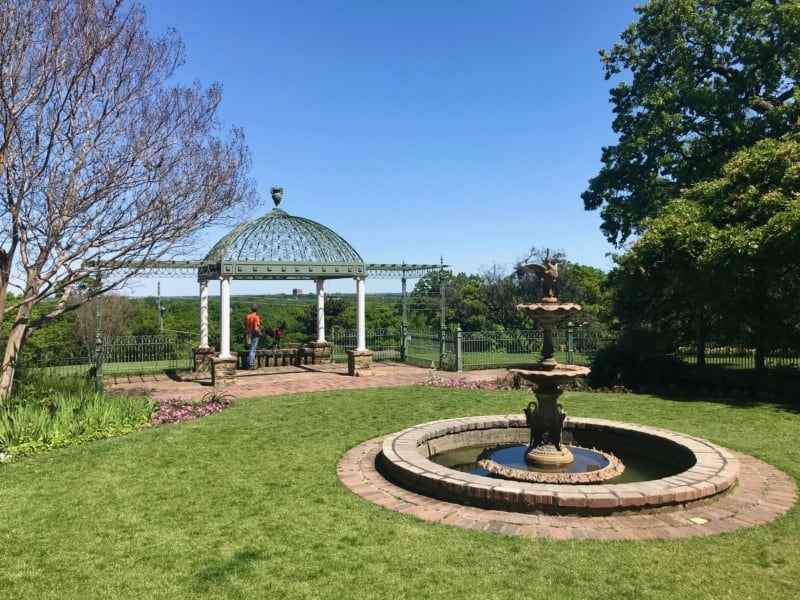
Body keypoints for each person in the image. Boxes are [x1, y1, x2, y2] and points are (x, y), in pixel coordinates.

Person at [244, 304, 262, 369]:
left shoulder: (247, 316)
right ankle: (251, 365)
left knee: (251, 349)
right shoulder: (256, 317)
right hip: (254, 334)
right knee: (253, 350)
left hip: (249, 334)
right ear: (257, 310)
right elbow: (256, 328)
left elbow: (246, 326)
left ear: (251, 309)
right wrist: (260, 334)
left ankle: (251, 363)